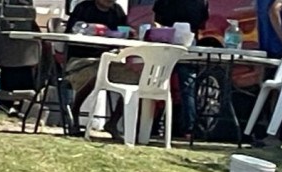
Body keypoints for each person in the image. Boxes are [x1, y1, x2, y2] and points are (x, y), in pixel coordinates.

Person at [64, 0, 137, 137]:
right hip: (81, 60)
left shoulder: (117, 10)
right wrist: (93, 30)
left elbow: (124, 31)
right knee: (96, 73)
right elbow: (72, 32)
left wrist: (130, 33)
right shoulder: (83, 8)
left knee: (135, 78)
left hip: (107, 59)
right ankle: (74, 112)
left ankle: (113, 122)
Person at [153, 0, 209, 140]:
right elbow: (202, 24)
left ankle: (151, 124)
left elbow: (156, 20)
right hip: (189, 44)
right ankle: (188, 129)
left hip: (165, 42)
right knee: (188, 87)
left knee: (156, 82)